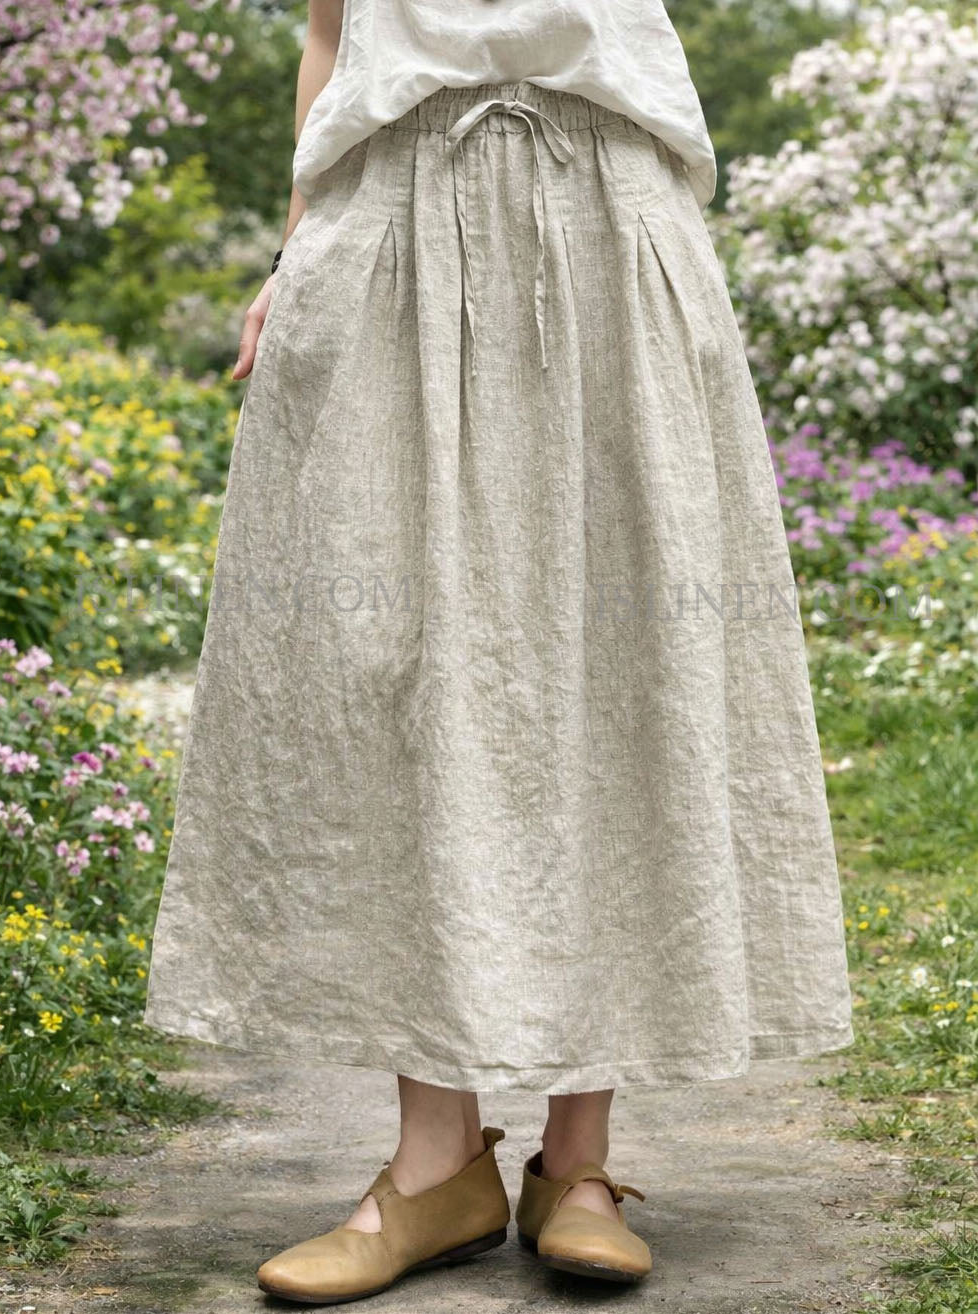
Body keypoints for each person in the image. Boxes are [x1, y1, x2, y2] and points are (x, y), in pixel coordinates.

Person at [142, 0, 856, 1302]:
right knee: (399, 675)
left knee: (619, 672)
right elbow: (329, 27)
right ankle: (436, 1164)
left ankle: (578, 1160)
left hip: (606, 218)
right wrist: (296, 246)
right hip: (395, 217)